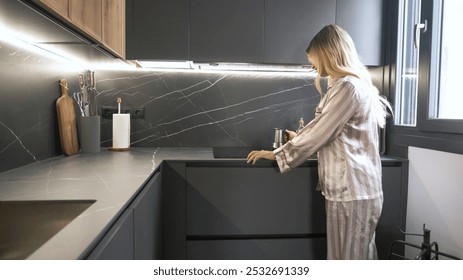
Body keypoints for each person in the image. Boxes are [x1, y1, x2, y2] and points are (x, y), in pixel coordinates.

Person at [247, 24, 392, 260]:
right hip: (354, 191)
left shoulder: (347, 87)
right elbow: (334, 131)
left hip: (352, 191)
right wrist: (299, 138)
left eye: (314, 59)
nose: (312, 65)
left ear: (329, 53)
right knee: (354, 258)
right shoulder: (348, 85)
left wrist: (277, 153)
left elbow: (320, 132)